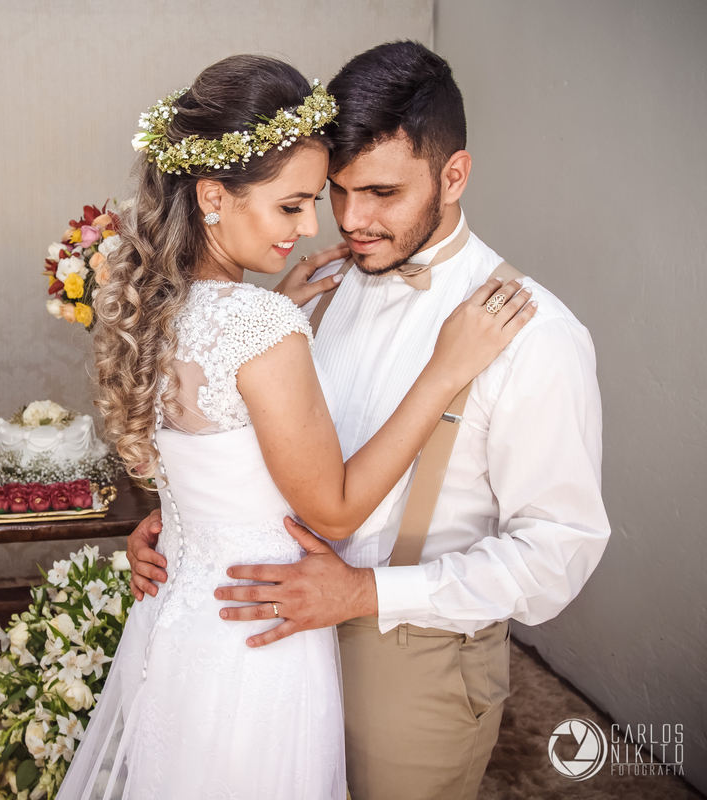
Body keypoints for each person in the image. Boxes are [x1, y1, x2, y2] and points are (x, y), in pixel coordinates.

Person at [126, 42, 611, 800]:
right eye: (338, 192)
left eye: (382, 193)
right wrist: (185, 519)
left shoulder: (533, 334)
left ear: (454, 175)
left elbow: (559, 555)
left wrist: (367, 594)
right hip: (267, 649)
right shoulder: (309, 291)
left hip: (411, 668)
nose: (351, 221)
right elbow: (246, 434)